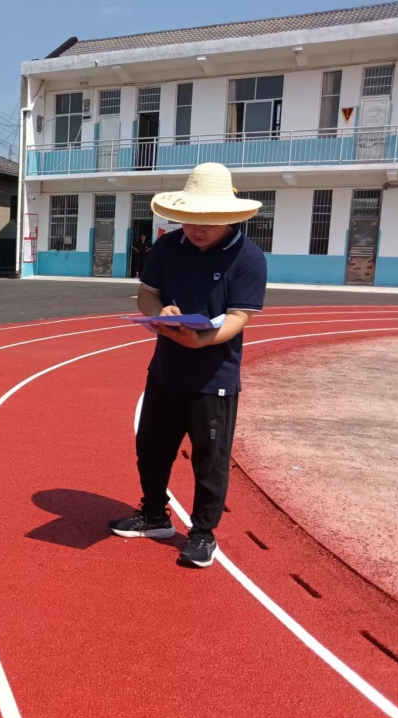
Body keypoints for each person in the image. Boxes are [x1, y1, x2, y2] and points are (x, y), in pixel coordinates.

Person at [109, 163, 268, 568]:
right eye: (191, 218)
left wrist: (201, 341)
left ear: (229, 216)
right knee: (151, 447)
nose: (197, 228)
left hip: (213, 377)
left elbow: (238, 318)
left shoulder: (248, 258)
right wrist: (161, 313)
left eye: (208, 221)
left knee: (209, 459)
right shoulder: (167, 246)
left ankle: (202, 533)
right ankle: (154, 515)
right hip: (165, 370)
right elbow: (147, 296)